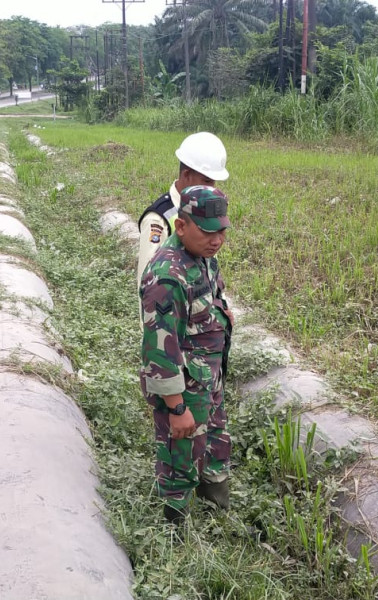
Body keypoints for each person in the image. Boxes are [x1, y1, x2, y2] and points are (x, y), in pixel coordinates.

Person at [139, 185, 234, 525]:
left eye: (222, 230)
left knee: (215, 444)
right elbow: (159, 352)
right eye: (208, 232)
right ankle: (175, 531)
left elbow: (214, 300)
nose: (217, 239)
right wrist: (176, 408)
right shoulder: (167, 277)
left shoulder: (204, 258)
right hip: (183, 387)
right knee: (180, 455)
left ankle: (216, 512)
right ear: (181, 227)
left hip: (207, 378)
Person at [136, 132, 229, 285]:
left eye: (213, 182)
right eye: (206, 181)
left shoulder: (206, 211)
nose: (211, 189)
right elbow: (147, 283)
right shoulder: (159, 218)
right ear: (186, 175)